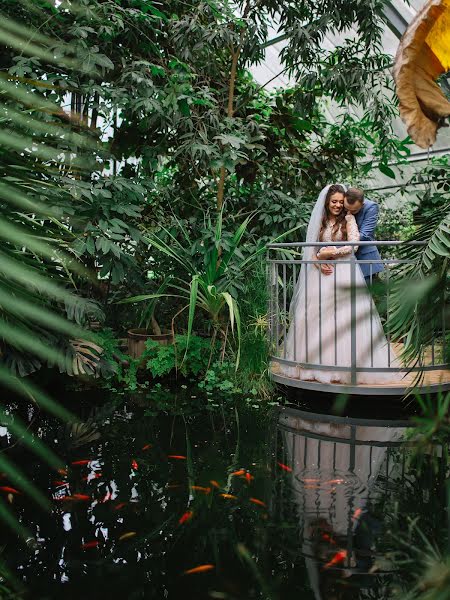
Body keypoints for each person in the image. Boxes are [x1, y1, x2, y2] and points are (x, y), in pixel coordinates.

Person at [279, 184, 402, 385]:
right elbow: (311, 248)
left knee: (345, 317)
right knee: (318, 317)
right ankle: (314, 365)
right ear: (327, 202)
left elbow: (354, 244)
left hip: (344, 272)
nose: (337, 205)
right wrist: (319, 260)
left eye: (339, 201)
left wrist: (331, 252)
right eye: (333, 201)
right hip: (321, 274)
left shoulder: (349, 218)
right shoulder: (320, 220)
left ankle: (345, 368)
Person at [343, 187, 383, 284]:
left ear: (362, 204)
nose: (349, 212)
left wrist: (339, 245)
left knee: (364, 295)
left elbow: (365, 235)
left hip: (364, 258)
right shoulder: (339, 203)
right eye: (347, 209)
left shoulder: (371, 207)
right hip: (342, 261)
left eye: (354, 211)